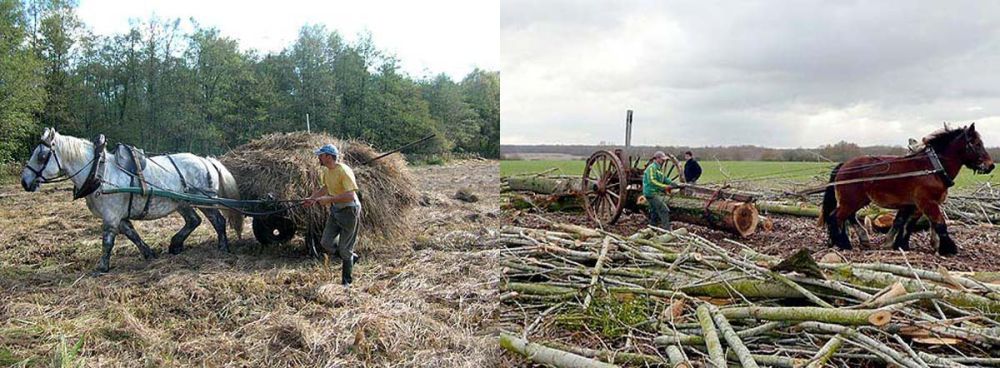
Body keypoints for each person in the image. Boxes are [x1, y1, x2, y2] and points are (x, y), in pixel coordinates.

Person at [304, 144, 361, 288]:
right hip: (336, 210)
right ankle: (350, 257)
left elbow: (350, 195)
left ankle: (347, 282)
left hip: (349, 211)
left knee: (345, 248)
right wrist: (312, 199)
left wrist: (329, 200)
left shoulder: (344, 171)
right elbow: (326, 188)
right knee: (325, 243)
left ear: (329, 157)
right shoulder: (327, 171)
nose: (319, 158)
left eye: (321, 155)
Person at [644, 151, 676, 230]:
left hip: (655, 192)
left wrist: (672, 183)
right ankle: (667, 229)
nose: (664, 161)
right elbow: (652, 181)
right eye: (662, 160)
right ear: (657, 159)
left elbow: (664, 178)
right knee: (664, 210)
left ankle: (652, 228)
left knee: (654, 211)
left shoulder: (658, 168)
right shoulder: (651, 168)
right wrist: (665, 187)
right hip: (650, 193)